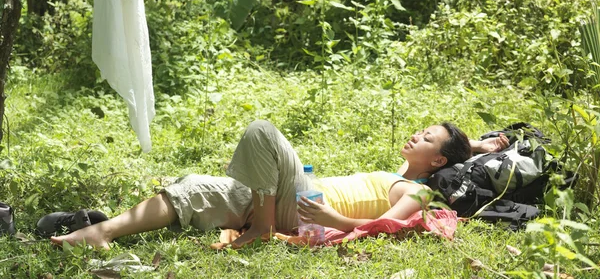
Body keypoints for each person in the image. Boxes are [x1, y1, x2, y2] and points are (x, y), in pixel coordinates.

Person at [50, 120, 509, 249]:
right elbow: (467, 150)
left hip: (303, 209)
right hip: (289, 197)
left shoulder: (420, 192)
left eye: (427, 138)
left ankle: (262, 226)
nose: (416, 134)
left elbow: (389, 226)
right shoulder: (395, 173)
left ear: (438, 160)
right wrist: (486, 147)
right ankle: (101, 232)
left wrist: (334, 220)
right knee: (194, 185)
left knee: (262, 133)